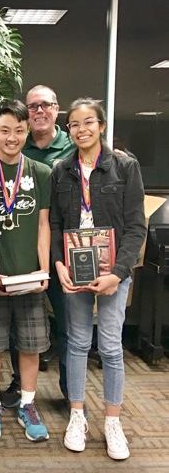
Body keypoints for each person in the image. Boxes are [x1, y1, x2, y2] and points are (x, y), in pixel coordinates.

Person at [50, 98, 146, 460]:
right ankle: (77, 416)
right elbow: (55, 224)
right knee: (76, 342)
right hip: (74, 268)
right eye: (74, 124)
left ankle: (112, 422)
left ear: (101, 126)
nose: (81, 129)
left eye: (88, 122)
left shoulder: (125, 166)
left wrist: (118, 274)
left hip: (113, 272)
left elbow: (136, 227)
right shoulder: (62, 170)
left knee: (109, 346)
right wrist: (59, 264)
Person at [0, 100, 51, 443]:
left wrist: (43, 270)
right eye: (4, 130)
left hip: (28, 277)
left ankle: (28, 404)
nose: (11, 137)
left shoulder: (41, 172)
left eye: (18, 130)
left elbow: (43, 225)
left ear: (27, 131)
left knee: (31, 344)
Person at [1, 85, 77, 408]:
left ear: (57, 109)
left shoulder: (73, 146)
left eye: (46, 104)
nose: (39, 111)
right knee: (20, 326)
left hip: (65, 251)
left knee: (69, 326)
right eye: (33, 106)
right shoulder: (17, 144)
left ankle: (71, 392)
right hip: (24, 253)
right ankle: (20, 384)